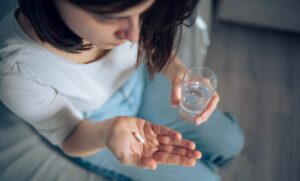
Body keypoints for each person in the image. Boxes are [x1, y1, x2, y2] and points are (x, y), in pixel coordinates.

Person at [0, 0, 244, 180]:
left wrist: (176, 70)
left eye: (142, 13)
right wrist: (106, 133)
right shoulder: (16, 69)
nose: (135, 35)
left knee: (231, 141)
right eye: (110, 18)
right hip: (91, 125)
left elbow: (149, 42)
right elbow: (69, 136)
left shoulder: (134, 18)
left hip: (140, 82)